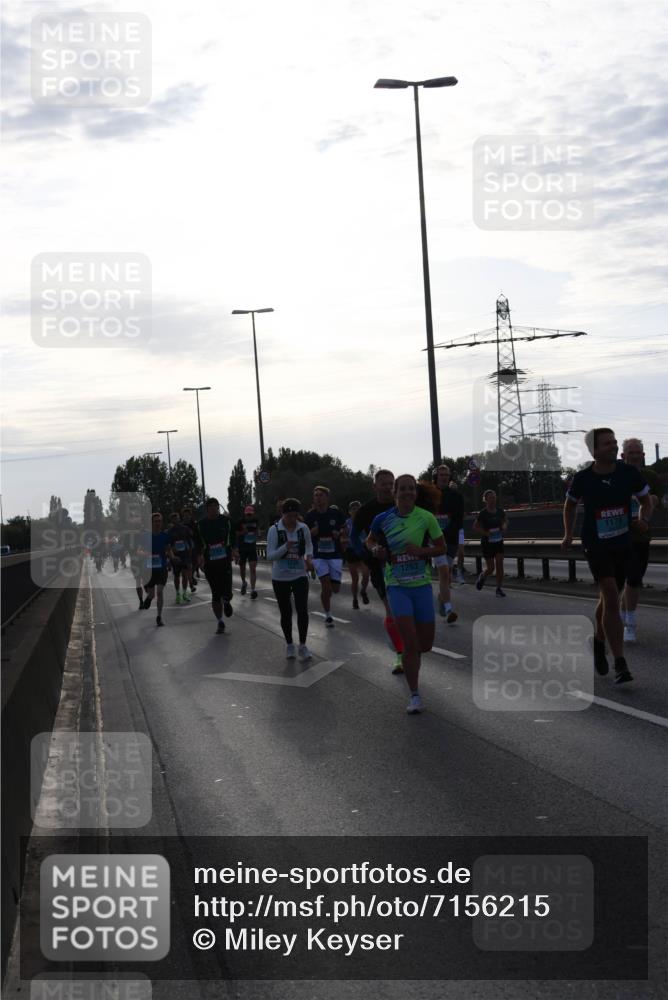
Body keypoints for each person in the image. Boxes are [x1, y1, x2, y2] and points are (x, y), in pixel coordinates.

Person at [562, 427, 651, 683]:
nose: (613, 446)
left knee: (609, 599)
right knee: (612, 596)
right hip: (596, 544)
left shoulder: (628, 473)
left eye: (614, 442)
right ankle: (620, 663)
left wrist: (643, 520)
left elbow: (647, 501)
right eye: (607, 444)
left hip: (622, 543)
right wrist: (568, 534)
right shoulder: (583, 478)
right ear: (594, 451)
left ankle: (599, 641)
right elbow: (569, 506)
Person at [366, 474, 445, 714]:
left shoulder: (426, 517)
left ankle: (410, 656)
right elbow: (369, 541)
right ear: (395, 492)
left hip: (421, 586)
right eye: (403, 489)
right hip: (397, 586)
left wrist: (421, 551)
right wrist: (376, 549)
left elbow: (441, 547)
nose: (408, 492)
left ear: (416, 493)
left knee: (425, 644)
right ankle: (415, 695)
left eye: (412, 488)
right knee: (410, 644)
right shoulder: (383, 519)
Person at [351, 469, 405, 673]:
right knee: (391, 609)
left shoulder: (403, 505)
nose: (388, 487)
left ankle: (404, 641)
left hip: (406, 563)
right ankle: (400, 654)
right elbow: (354, 536)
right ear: (375, 486)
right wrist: (365, 554)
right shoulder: (366, 510)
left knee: (408, 611)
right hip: (379, 565)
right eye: (384, 483)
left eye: (391, 483)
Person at [620, 438, 661, 642]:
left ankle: (621, 615)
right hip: (619, 535)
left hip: (642, 535)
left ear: (643, 455)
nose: (635, 456)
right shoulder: (615, 476)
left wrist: (650, 502)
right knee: (632, 577)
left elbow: (658, 499)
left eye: (638, 452)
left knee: (633, 581)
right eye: (631, 452)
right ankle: (630, 624)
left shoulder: (650, 477)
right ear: (623, 455)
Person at [266, 498, 314, 660]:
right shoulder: (274, 530)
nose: (292, 519)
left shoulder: (303, 528)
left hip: (299, 575)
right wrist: (285, 547)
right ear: (283, 514)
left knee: (302, 610)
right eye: (289, 516)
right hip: (280, 577)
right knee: (286, 612)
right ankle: (289, 645)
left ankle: (303, 645)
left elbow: (309, 546)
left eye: (295, 515)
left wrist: (309, 559)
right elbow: (270, 556)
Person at [305, 486, 347, 627]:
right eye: (316, 495)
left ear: (327, 498)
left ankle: (327, 592)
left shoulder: (335, 513)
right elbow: (304, 535)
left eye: (321, 495)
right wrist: (311, 532)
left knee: (335, 589)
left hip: (335, 555)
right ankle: (328, 616)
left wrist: (339, 533)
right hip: (319, 555)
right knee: (326, 584)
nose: (318, 498)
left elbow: (345, 528)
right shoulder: (310, 516)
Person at [194, 497, 238, 634]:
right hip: (210, 563)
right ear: (207, 509)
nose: (214, 508)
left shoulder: (226, 521)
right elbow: (197, 543)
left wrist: (234, 550)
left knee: (227, 592)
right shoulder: (201, 524)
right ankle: (220, 622)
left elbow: (233, 537)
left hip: (225, 561)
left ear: (218, 507)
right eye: (211, 506)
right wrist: (200, 558)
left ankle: (227, 601)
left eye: (216, 506)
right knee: (215, 594)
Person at [433, 465, 464, 620]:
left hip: (450, 539)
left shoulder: (455, 496)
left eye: (446, 475)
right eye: (441, 475)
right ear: (436, 477)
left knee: (447, 574)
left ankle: (442, 598)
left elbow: (459, 518)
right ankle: (449, 609)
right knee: (444, 572)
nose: (444, 477)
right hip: (435, 540)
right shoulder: (429, 495)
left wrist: (450, 530)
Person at [139, 512, 174, 626]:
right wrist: (143, 553)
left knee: (159, 591)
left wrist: (173, 558)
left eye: (159, 521)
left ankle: (159, 616)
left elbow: (168, 549)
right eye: (155, 521)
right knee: (152, 594)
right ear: (151, 523)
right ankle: (149, 598)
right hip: (149, 569)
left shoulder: (165, 536)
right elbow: (139, 550)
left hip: (161, 568)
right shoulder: (145, 536)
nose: (158, 523)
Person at [473, 490, 508, 596]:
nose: (493, 500)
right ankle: (483, 576)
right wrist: (486, 533)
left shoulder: (500, 511)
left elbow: (505, 521)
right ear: (486, 500)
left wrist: (504, 525)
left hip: (498, 541)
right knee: (491, 568)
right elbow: (475, 527)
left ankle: (498, 589)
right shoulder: (483, 513)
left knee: (499, 564)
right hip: (487, 543)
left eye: (494, 497)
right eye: (490, 498)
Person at [343, 500, 370, 610]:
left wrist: (366, 541)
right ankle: (355, 599)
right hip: (351, 551)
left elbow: (371, 535)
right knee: (355, 578)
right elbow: (342, 538)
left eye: (358, 508)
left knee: (366, 574)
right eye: (353, 509)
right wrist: (348, 541)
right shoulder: (346, 523)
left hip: (363, 549)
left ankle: (363, 591)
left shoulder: (366, 521)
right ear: (349, 511)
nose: (356, 510)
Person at [166, 512, 193, 604]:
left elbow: (190, 539)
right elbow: (167, 545)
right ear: (171, 520)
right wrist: (170, 555)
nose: (175, 520)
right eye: (173, 519)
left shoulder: (185, 528)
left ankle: (184, 593)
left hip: (185, 555)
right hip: (176, 556)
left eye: (176, 518)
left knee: (185, 575)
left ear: (179, 518)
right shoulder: (169, 531)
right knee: (176, 576)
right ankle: (178, 593)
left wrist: (190, 550)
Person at [235, 504, 259, 598]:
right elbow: (235, 534)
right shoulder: (240, 522)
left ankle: (253, 590)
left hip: (252, 548)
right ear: (245, 514)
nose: (249, 516)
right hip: (242, 548)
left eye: (250, 514)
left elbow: (256, 530)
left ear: (253, 514)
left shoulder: (255, 521)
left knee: (253, 569)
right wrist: (242, 533)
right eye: (248, 514)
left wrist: (257, 534)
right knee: (242, 568)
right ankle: (244, 582)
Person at [181, 506, 201, 590]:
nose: (186, 517)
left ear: (190, 515)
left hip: (194, 547)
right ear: (182, 516)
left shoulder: (195, 524)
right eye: (184, 515)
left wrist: (200, 550)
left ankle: (191, 577)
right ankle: (191, 582)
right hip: (184, 549)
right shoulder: (181, 525)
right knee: (188, 566)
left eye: (188, 515)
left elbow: (199, 536)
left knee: (195, 564)